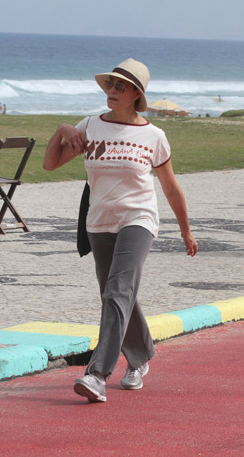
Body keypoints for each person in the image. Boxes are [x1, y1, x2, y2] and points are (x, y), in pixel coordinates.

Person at [42, 58, 198, 403]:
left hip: (138, 220)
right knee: (117, 293)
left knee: (118, 290)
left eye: (121, 87)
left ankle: (97, 375)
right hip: (98, 222)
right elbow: (49, 163)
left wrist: (186, 231)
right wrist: (62, 130)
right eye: (111, 84)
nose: (113, 91)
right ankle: (140, 359)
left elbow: (170, 187)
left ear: (136, 95)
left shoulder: (153, 136)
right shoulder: (90, 126)